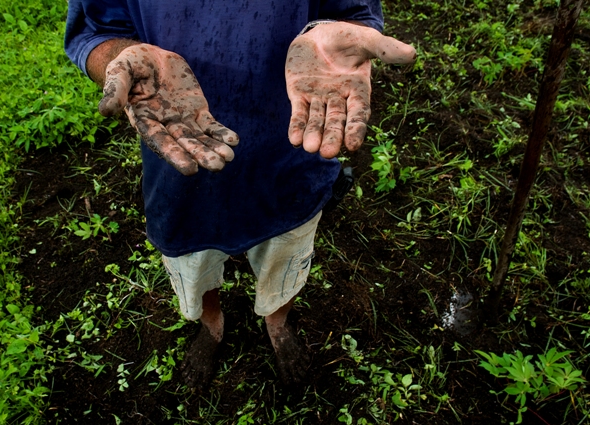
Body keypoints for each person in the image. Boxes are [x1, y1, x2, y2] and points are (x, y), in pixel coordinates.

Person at [65, 0, 415, 388]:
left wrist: (328, 30)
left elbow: (353, 12)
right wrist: (121, 55)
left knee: (285, 259)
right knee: (196, 265)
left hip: (293, 154)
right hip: (183, 167)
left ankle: (277, 322)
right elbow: (95, 31)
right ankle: (212, 327)